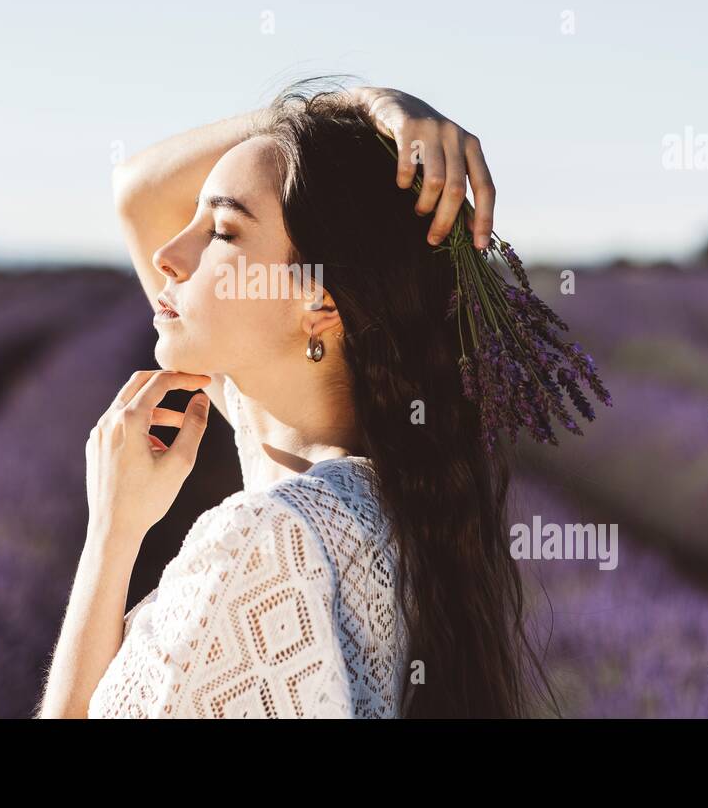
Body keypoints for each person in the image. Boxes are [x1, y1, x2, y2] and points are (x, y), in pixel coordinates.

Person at [38, 77, 555, 718]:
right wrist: (360, 106)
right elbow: (138, 193)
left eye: (222, 231)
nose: (169, 254)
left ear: (317, 303)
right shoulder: (384, 497)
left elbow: (138, 195)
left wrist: (112, 532)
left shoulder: (264, 540)